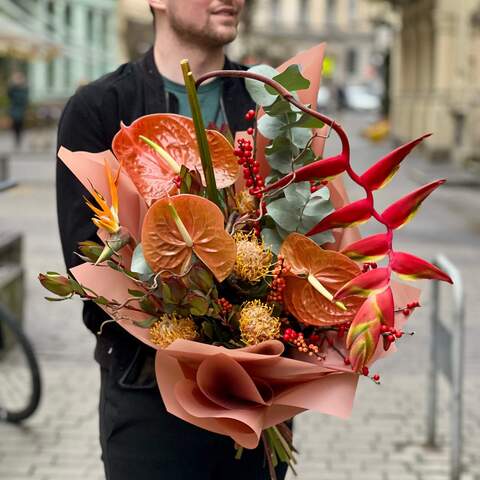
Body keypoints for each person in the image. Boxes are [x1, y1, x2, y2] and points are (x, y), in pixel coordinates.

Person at [56, 1, 288, 479]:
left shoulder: (269, 107)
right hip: (144, 393)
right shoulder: (101, 108)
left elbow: (301, 240)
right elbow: (89, 261)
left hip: (255, 398)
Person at [7, 72, 29, 149]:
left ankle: (19, 140)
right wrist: (13, 83)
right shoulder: (13, 89)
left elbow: (25, 99)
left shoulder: (24, 89)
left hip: (21, 110)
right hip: (14, 110)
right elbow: (9, 94)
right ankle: (16, 140)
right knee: (15, 126)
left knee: (20, 126)